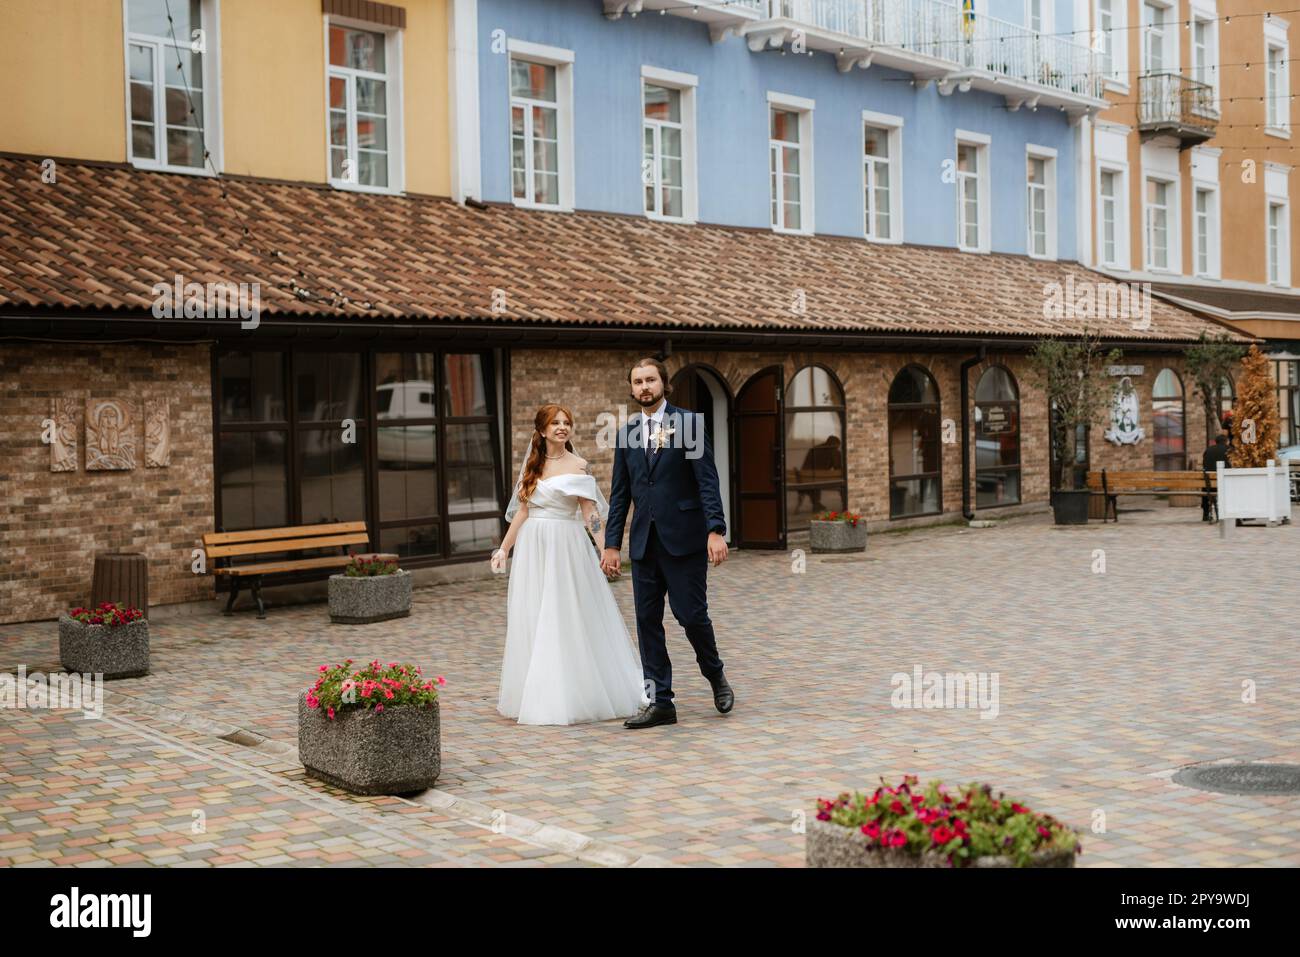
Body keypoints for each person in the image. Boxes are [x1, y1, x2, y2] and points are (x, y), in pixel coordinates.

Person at [492, 405, 648, 725]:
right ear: (542, 431)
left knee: (565, 612)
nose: (562, 427)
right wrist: (504, 549)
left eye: (567, 423)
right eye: (555, 423)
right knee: (535, 613)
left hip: (566, 545)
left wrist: (607, 549)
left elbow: (591, 515)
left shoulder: (578, 466)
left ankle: (575, 691)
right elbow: (523, 512)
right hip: (534, 547)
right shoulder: (532, 468)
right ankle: (536, 690)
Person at [601, 358, 734, 729]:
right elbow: (620, 494)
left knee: (691, 616)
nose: (644, 386)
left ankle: (715, 674)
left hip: (684, 541)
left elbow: (707, 481)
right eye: (638, 381)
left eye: (650, 379)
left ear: (664, 384)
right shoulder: (627, 434)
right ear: (631, 389)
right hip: (644, 544)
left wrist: (716, 529)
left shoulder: (689, 425)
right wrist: (612, 544)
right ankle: (661, 701)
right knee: (646, 621)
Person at [1201, 433, 1229, 522]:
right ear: (1226, 441)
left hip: (1209, 486)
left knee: (1205, 488)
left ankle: (1206, 513)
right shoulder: (1229, 450)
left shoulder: (1208, 450)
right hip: (1224, 484)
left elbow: (1204, 465)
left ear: (1215, 442)